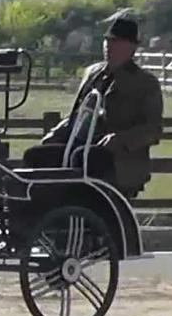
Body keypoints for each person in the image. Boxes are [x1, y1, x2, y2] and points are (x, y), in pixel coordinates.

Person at [22, 16, 163, 198]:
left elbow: (153, 130)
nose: (109, 46)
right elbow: (80, 114)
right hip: (81, 144)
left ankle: (74, 212)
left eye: (116, 42)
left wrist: (120, 139)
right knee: (36, 156)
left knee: (81, 158)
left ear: (131, 48)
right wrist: (56, 133)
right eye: (107, 41)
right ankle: (39, 212)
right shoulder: (93, 73)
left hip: (116, 158)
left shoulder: (145, 83)